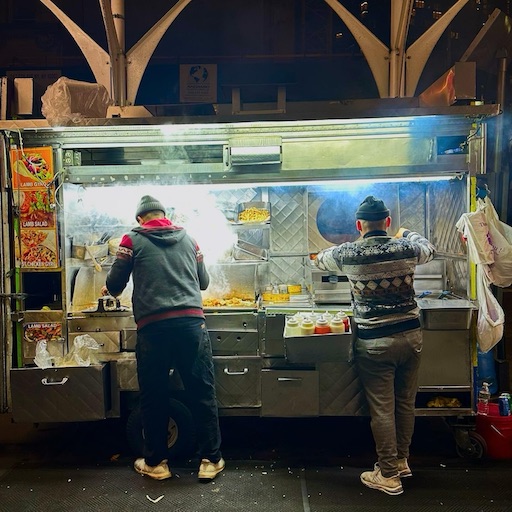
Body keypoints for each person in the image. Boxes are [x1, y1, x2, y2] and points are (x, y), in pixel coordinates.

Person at [313, 195, 436, 496]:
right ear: (388, 222)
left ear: (359, 225)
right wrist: (407, 233)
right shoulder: (405, 246)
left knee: (382, 409)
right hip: (411, 336)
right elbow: (430, 249)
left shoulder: (348, 253)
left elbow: (319, 259)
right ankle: (402, 461)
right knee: (406, 402)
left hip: (375, 341)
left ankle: (389, 474)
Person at [101, 195, 224, 482]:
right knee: (202, 390)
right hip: (192, 324)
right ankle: (210, 460)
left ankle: (157, 463)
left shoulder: (131, 240)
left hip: (154, 327)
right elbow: (203, 282)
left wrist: (116, 288)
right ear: (164, 215)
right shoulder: (189, 239)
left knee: (154, 395)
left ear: (140, 219)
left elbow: (114, 285)